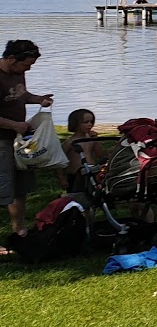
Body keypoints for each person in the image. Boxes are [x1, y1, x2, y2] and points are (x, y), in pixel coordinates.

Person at [0, 40, 52, 240]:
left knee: (20, 188)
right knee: (3, 186)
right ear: (12, 59)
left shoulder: (17, 72)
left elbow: (20, 95)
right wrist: (14, 125)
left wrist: (39, 99)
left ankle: (19, 231)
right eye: (26, 65)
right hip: (2, 140)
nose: (28, 69)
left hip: (19, 139)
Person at [60, 107, 105, 191]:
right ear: (76, 123)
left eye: (91, 122)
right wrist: (61, 178)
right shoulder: (70, 142)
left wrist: (96, 140)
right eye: (86, 122)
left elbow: (100, 155)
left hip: (92, 172)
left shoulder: (90, 138)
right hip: (76, 175)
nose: (90, 124)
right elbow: (59, 160)